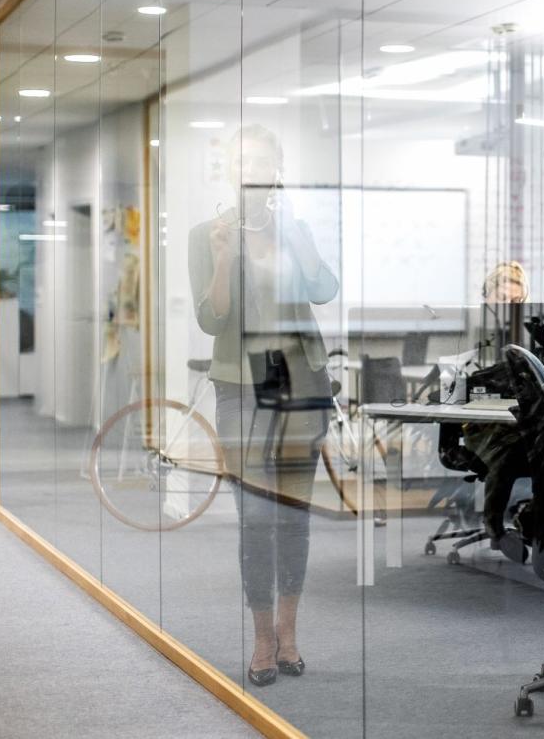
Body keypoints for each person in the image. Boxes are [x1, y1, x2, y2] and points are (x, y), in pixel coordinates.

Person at [187, 125, 339, 689]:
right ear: (230, 171)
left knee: (294, 514)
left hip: (301, 381)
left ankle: (290, 632)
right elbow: (211, 320)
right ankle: (261, 638)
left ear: (277, 171)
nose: (251, 170)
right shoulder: (209, 233)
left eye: (263, 161)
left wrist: (297, 241)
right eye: (242, 161)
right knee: (255, 516)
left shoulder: (294, 229)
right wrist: (224, 261)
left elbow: (324, 290)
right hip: (241, 385)